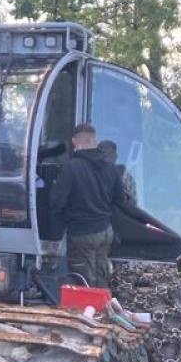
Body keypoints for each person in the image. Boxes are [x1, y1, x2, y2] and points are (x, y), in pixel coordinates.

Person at [50, 123, 152, 287]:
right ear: (95, 141)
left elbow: (57, 202)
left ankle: (88, 311)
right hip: (105, 232)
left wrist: (62, 220)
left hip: (82, 234)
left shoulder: (71, 167)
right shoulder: (111, 167)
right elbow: (120, 200)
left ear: (75, 142)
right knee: (101, 278)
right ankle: (104, 309)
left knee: (83, 281)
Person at [97, 139, 138, 203]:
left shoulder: (124, 175)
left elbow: (132, 203)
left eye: (109, 155)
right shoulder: (89, 176)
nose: (106, 159)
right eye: (104, 156)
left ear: (115, 157)